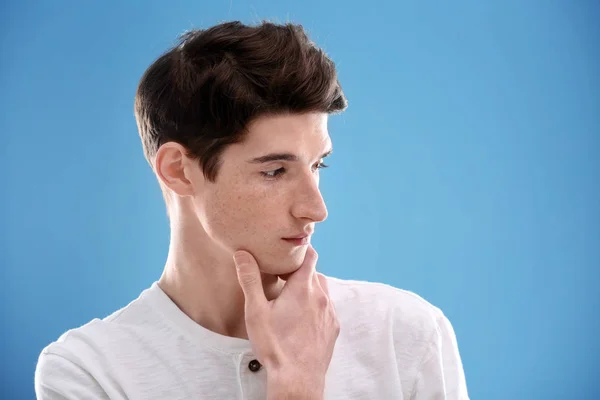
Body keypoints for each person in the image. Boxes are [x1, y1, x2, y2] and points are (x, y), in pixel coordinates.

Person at [35, 20, 469, 399]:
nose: (316, 210)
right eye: (275, 170)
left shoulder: (405, 334)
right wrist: (296, 388)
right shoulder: (89, 372)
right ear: (178, 172)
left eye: (318, 165)